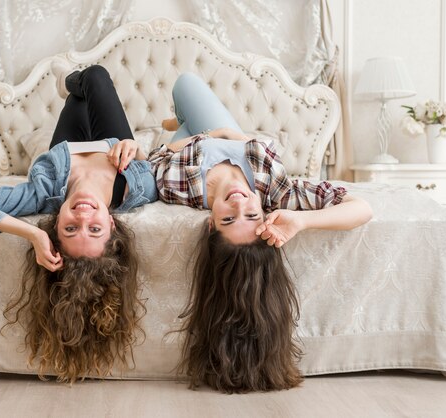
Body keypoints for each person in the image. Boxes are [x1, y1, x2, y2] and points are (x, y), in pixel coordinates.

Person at [148, 72, 373, 393]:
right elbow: (362, 207)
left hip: (200, 141)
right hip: (230, 136)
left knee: (184, 85)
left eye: (229, 220)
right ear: (263, 211)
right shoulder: (275, 191)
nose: (240, 204)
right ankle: (182, 121)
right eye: (252, 216)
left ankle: (181, 123)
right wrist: (301, 222)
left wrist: (207, 136)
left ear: (211, 224)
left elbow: (157, 156)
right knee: (185, 83)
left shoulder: (176, 186)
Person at [0, 65, 157, 383]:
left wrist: (32, 233)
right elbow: (172, 165)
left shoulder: (43, 193)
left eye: (70, 229)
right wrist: (137, 148)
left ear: (55, 226)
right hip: (115, 144)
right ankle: (76, 82)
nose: (83, 216)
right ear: (112, 224)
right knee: (97, 76)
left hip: (67, 141)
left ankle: (72, 85)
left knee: (78, 99)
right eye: (95, 229)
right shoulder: (138, 187)